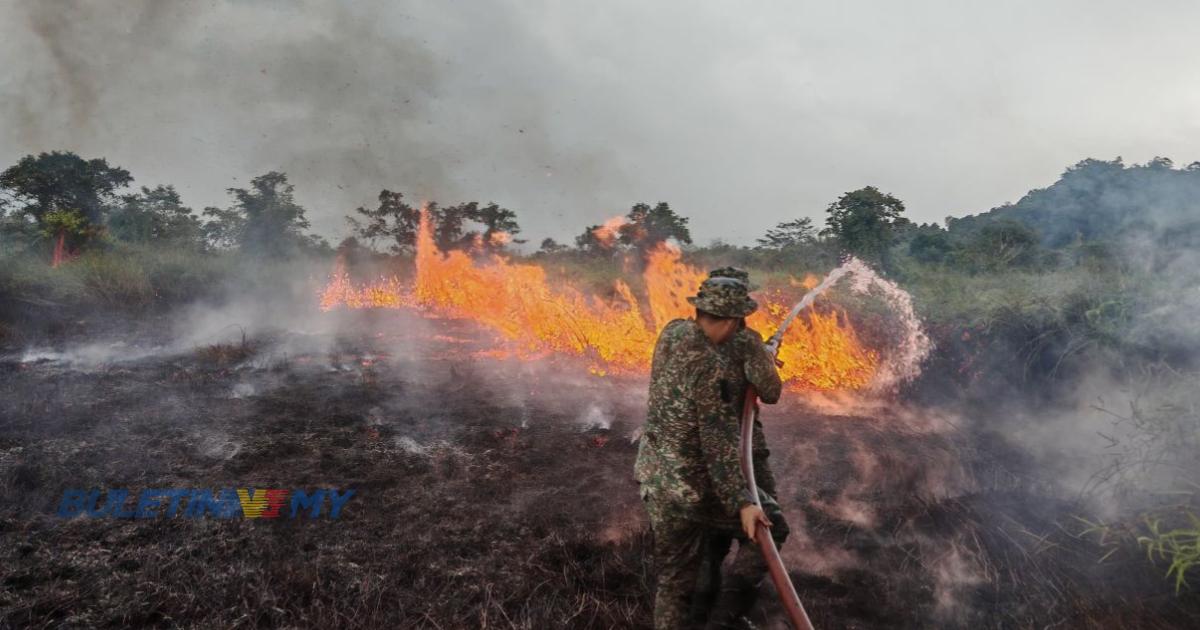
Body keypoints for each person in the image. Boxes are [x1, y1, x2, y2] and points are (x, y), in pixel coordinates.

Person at [635, 268, 789, 630]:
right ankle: (724, 619)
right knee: (772, 526)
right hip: (696, 486)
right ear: (735, 319)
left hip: (657, 478)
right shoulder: (713, 368)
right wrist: (743, 503)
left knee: (674, 582)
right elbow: (719, 443)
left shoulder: (672, 332)